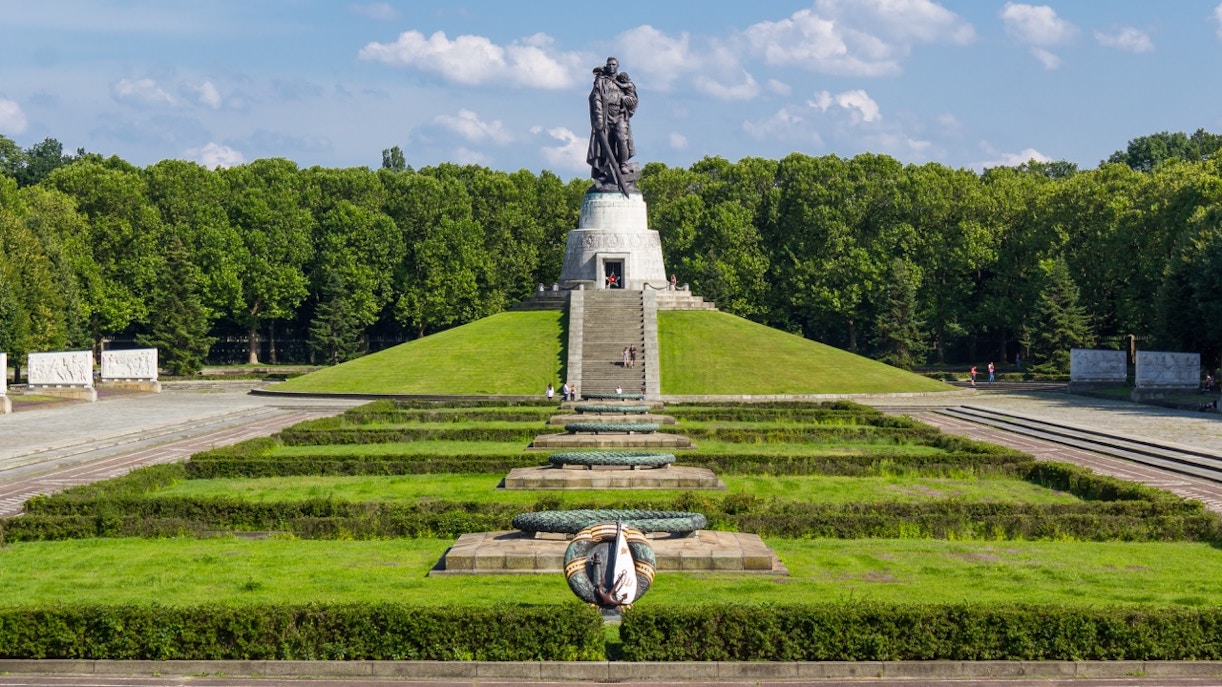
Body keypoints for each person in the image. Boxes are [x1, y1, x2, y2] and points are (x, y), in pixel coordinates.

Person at [587, 57, 638, 194]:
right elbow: (595, 98)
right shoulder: (601, 81)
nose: (611, 66)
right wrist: (598, 117)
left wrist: (628, 100)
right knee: (606, 146)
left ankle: (623, 165)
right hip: (605, 118)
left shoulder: (623, 81)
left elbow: (633, 98)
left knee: (622, 139)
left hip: (620, 115)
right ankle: (605, 172)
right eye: (609, 64)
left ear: (618, 66)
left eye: (614, 64)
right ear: (606, 65)